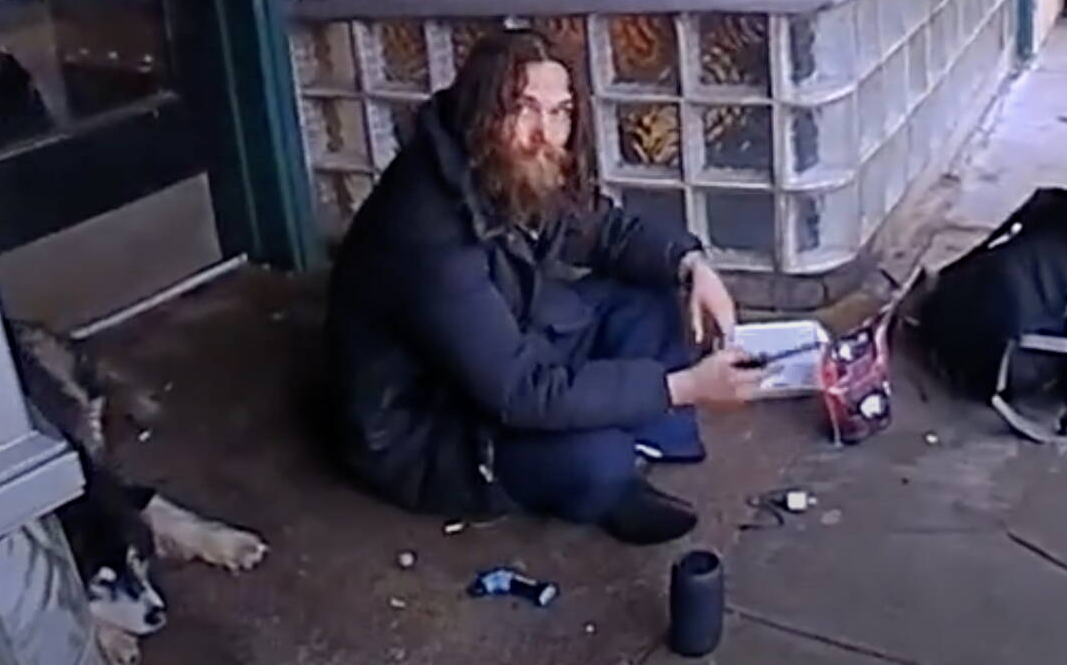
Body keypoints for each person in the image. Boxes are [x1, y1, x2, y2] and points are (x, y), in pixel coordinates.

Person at [325, 32, 761, 546]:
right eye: (525, 110)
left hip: (505, 338)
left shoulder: (506, 165)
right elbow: (519, 391)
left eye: (560, 112)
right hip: (426, 428)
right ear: (479, 112)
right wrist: (681, 388)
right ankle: (615, 462)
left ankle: (641, 440)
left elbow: (603, 229)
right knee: (594, 458)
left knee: (654, 301)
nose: (545, 135)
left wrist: (693, 265)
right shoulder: (424, 226)